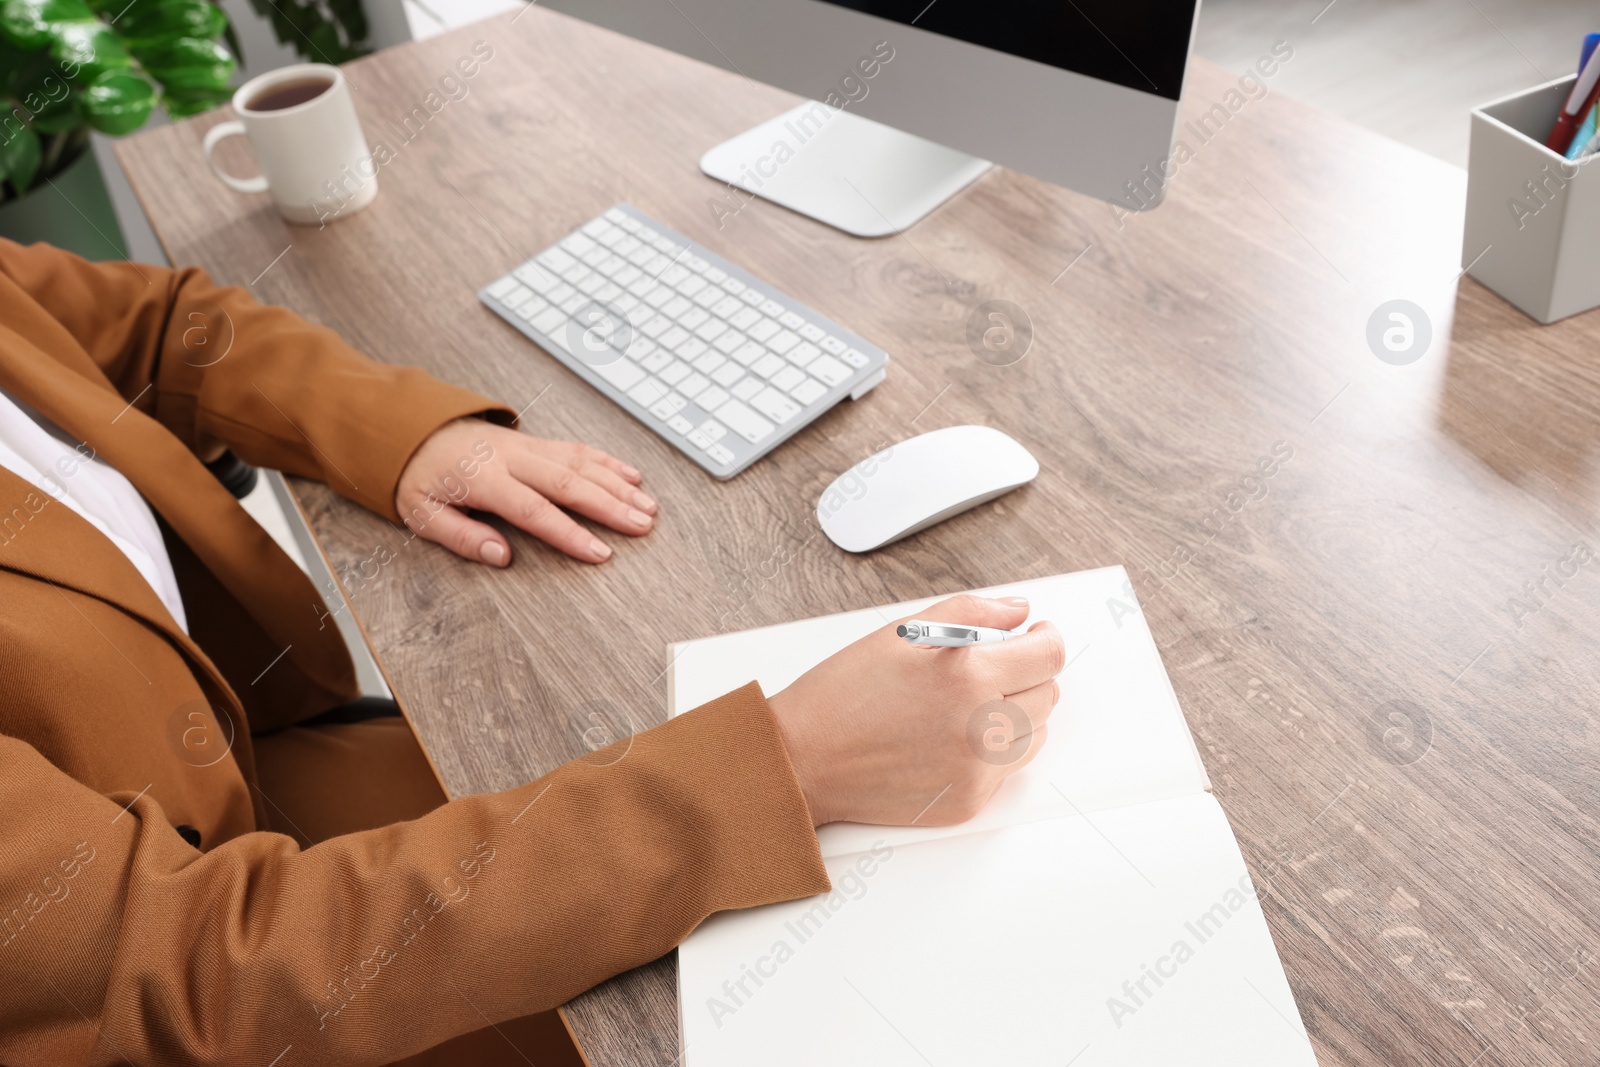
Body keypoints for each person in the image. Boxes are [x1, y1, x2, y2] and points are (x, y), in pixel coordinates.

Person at [0, 238, 1064, 1066]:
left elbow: (159, 325)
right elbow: (196, 979)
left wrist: (403, 432)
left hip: (251, 771)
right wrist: (788, 764)